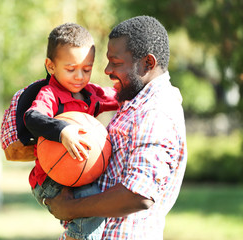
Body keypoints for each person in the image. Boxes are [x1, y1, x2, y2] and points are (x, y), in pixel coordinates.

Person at [45, 16, 188, 240]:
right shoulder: (136, 103)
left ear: (148, 64)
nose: (107, 70)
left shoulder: (156, 112)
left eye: (116, 62)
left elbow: (139, 195)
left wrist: (70, 209)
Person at [24, 23, 119, 240]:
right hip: (49, 179)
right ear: (51, 66)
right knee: (90, 205)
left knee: (95, 203)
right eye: (71, 69)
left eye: (87, 69)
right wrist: (62, 130)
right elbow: (33, 118)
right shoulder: (50, 95)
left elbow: (120, 96)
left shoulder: (90, 95)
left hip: (78, 176)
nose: (79, 76)